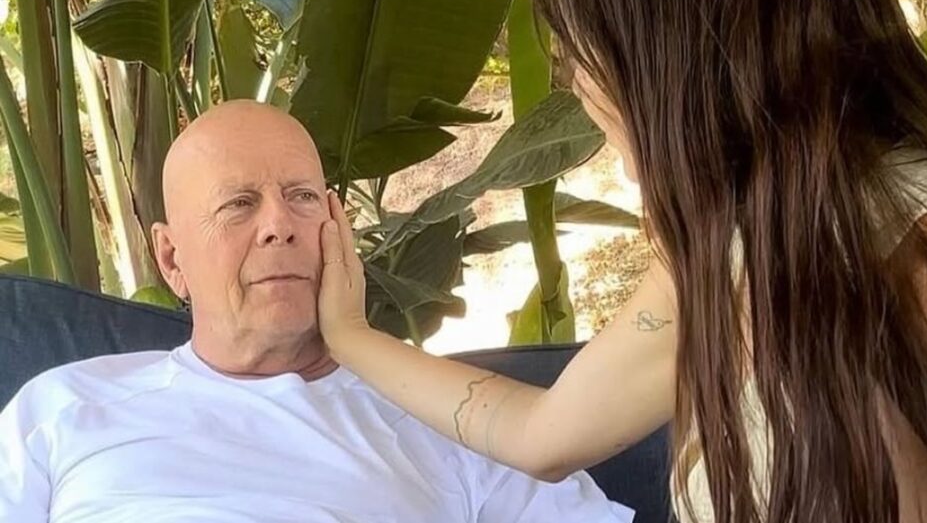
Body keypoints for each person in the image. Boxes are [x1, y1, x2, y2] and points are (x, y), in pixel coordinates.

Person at [315, 0, 927, 522]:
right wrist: (350, 334)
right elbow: (542, 434)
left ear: (665, 54)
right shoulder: (734, 240)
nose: (578, 91)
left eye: (578, 59)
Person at [0, 101, 634, 523]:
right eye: (238, 204)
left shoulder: (452, 419)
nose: (279, 224)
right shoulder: (60, 409)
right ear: (171, 258)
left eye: (302, 197)